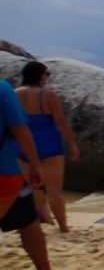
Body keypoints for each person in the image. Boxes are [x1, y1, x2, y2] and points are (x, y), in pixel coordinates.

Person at [1, 80, 65, 270]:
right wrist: (34, 164)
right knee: (28, 222)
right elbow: (20, 130)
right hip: (5, 172)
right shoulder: (3, 89)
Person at [14, 61, 79, 233]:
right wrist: (72, 144)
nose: (47, 77)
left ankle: (47, 222)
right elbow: (60, 121)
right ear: (39, 75)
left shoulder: (15, 94)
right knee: (54, 191)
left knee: (32, 187)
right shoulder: (48, 95)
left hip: (24, 146)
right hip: (50, 145)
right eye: (46, 74)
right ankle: (63, 227)